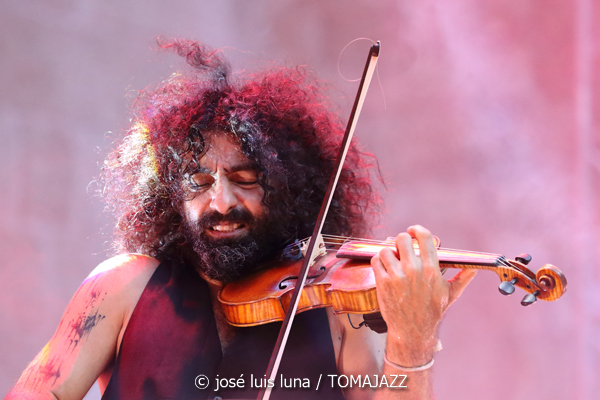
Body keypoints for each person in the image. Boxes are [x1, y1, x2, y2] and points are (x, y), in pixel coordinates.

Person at [5, 39, 477, 400]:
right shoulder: (121, 287)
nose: (221, 202)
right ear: (168, 194)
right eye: (198, 182)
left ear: (291, 188)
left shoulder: (336, 313)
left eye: (245, 178)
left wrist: (413, 341)